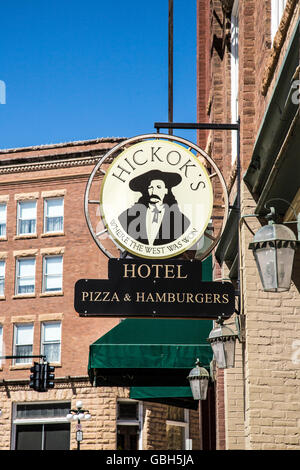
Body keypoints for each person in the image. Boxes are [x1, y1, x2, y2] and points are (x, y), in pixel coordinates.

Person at [118, 169, 190, 245]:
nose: (154, 191)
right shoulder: (127, 216)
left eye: (158, 187)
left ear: (166, 190)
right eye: (150, 188)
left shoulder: (181, 220)